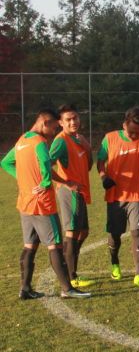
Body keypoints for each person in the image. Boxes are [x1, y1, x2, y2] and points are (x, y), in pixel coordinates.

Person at [2, 109, 91, 299]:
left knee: (29, 245)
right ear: (44, 123)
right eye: (53, 127)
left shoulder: (21, 141)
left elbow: (6, 163)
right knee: (55, 246)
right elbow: (45, 163)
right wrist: (43, 183)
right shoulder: (39, 142)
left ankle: (25, 289)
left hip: (25, 203)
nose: (53, 132)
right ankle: (68, 289)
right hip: (43, 204)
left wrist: (24, 179)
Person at [97, 106, 139, 288]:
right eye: (132, 132)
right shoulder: (110, 138)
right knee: (115, 235)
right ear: (124, 124)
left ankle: (138, 274)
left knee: (137, 233)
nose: (135, 136)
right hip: (115, 195)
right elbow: (100, 161)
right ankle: (115, 263)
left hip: (136, 195)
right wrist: (104, 177)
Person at [49, 104, 94, 288]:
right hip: (70, 193)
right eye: (68, 119)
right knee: (72, 232)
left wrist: (87, 146)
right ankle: (71, 276)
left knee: (83, 231)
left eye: (75, 117)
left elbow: (88, 165)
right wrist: (66, 182)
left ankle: (70, 265)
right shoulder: (61, 141)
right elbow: (47, 164)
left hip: (81, 191)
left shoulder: (77, 139)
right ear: (60, 123)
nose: (73, 121)